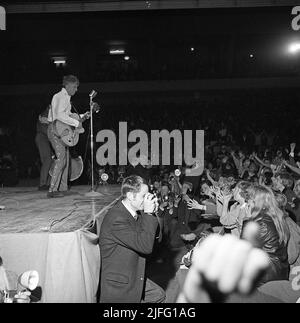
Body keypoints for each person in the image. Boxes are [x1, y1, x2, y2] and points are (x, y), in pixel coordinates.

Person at [99, 175, 166, 303]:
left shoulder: (135, 213)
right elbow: (145, 246)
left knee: (158, 295)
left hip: (133, 272)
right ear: (130, 196)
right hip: (119, 283)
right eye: (143, 196)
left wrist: (153, 214)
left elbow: (155, 240)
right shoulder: (117, 219)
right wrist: (148, 214)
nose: (147, 199)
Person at [47, 75, 81, 198]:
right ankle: (52, 190)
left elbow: (67, 115)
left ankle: (63, 188)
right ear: (67, 86)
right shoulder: (60, 96)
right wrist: (76, 122)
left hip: (61, 130)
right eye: (74, 87)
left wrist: (81, 116)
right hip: (55, 130)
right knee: (61, 159)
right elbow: (59, 116)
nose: (76, 89)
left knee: (65, 160)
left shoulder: (66, 98)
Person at [35, 104, 52, 190]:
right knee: (47, 160)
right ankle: (43, 184)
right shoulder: (45, 114)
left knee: (51, 161)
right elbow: (46, 128)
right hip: (42, 137)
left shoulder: (53, 115)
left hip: (48, 139)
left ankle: (48, 183)